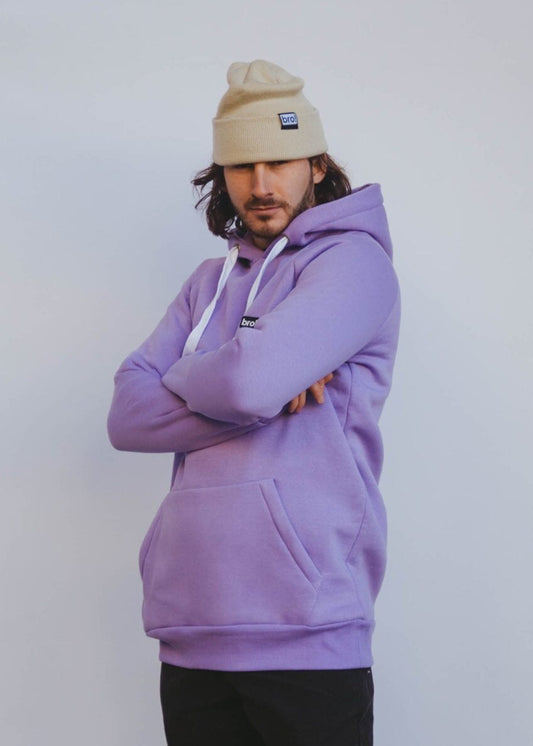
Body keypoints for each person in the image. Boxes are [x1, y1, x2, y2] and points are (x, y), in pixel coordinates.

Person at [108, 59, 400, 746]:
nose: (260, 185)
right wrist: (255, 381)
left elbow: (245, 385)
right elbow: (127, 414)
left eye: (279, 162)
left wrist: (216, 378)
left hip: (307, 630)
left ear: (317, 164)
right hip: (191, 625)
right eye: (241, 166)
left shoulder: (353, 264)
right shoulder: (205, 283)